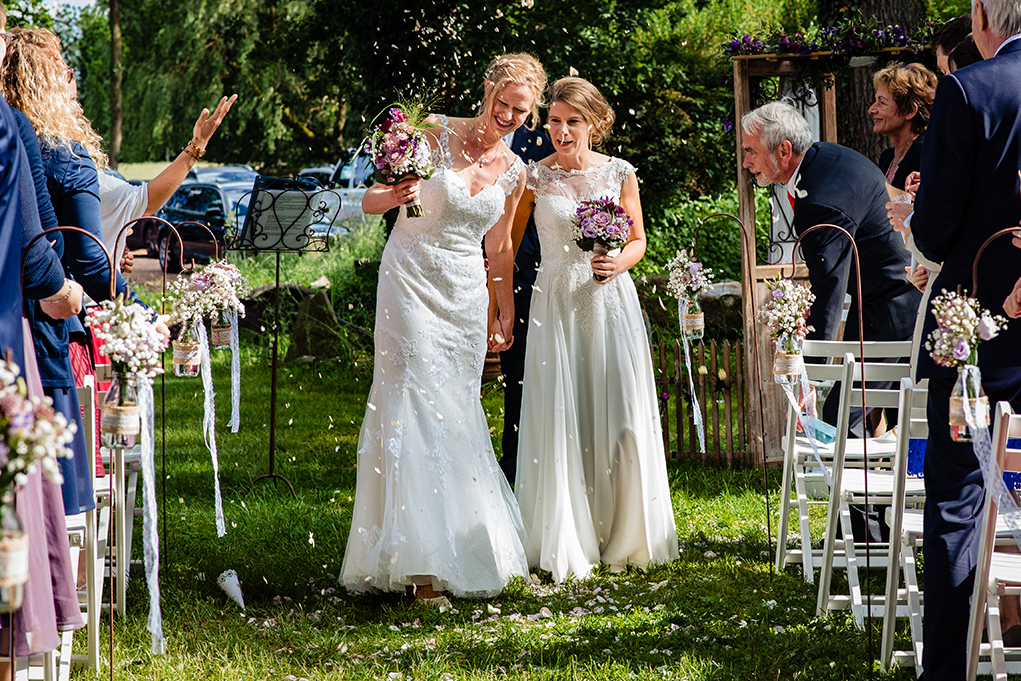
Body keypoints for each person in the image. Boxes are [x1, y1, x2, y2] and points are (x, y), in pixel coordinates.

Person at [340, 53, 545, 603]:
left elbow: (499, 247)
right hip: (408, 277)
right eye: (501, 103)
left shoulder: (516, 170)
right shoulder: (430, 132)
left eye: (519, 111)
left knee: (455, 407)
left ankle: (457, 538)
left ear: (531, 112)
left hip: (463, 293)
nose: (506, 115)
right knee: (409, 396)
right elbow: (369, 200)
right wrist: (395, 195)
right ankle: (417, 563)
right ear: (487, 90)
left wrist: (503, 306)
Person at [892, 1, 1021, 676]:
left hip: (974, 332)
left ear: (979, 15)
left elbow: (937, 231)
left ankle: (949, 666)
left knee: (958, 494)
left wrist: (917, 212)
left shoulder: (970, 89)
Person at [512, 77, 678, 582]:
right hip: (556, 301)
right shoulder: (533, 178)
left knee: (620, 410)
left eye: (572, 121)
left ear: (594, 123)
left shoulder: (619, 173)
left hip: (609, 301)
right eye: (554, 121)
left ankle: (625, 531)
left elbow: (638, 239)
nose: (561, 131)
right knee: (563, 411)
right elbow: (507, 241)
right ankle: (567, 533)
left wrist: (618, 264)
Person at [0, 28, 165, 519]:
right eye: (66, 72)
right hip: (51, 326)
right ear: (52, 82)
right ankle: (66, 584)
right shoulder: (64, 154)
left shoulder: (11, 138)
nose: (75, 80)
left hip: (10, 319)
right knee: (60, 493)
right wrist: (140, 313)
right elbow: (91, 260)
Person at [741, 101, 921, 436]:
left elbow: (828, 288)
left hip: (896, 303)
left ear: (783, 150)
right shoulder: (823, 156)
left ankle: (854, 487)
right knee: (857, 406)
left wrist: (810, 377)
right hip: (878, 297)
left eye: (751, 151)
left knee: (843, 412)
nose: (746, 161)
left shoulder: (821, 201)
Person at [97, 94, 237, 264]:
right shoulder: (80, 172)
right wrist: (198, 144)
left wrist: (115, 253)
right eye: (73, 101)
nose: (80, 110)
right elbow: (146, 199)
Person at [498, 123, 550, 485]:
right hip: (460, 270)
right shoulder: (466, 142)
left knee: (522, 371)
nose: (509, 114)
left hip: (524, 274)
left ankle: (518, 463)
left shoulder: (545, 143)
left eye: (519, 108)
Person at [869, 62, 936, 190]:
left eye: (882, 102)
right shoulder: (887, 157)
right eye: (875, 100)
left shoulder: (927, 154)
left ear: (910, 110)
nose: (871, 109)